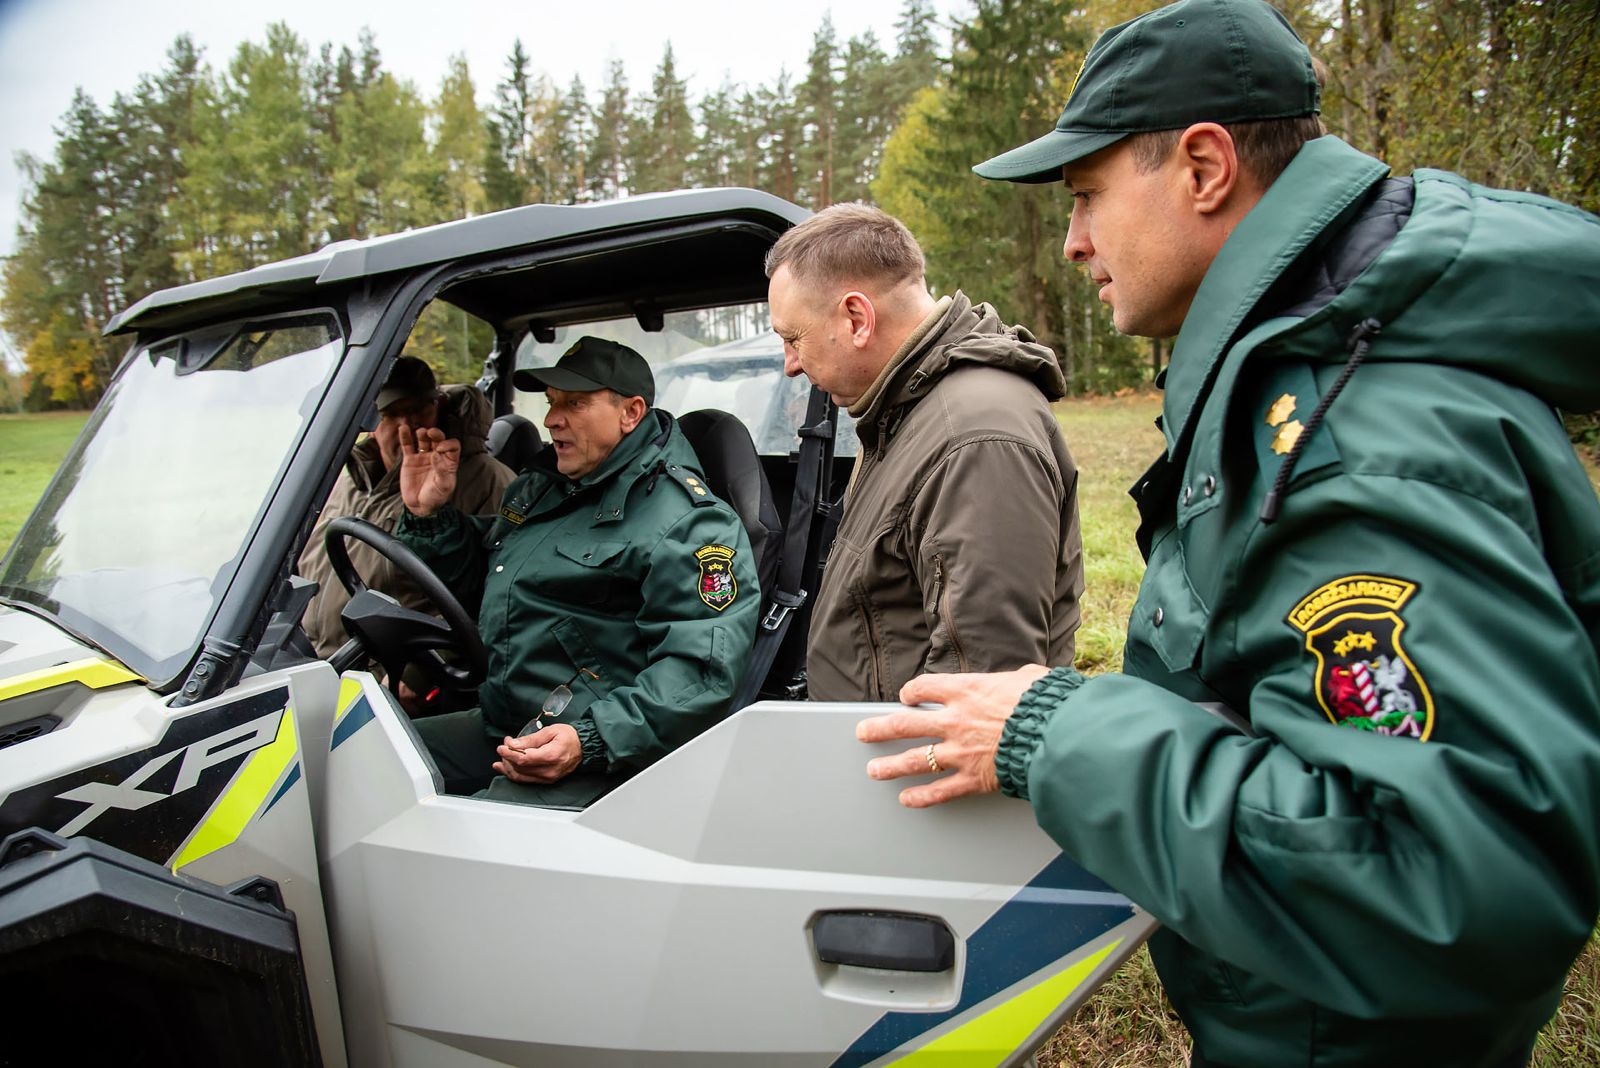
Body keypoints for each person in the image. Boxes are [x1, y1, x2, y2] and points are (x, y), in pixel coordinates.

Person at [856, 2, 1600, 1066]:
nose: (1073, 242)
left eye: (1087, 195)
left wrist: (1054, 733)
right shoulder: (1312, 378)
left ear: (1204, 168)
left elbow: (1446, 882)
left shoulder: (1352, 436)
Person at [392, 336, 760, 807]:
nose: (551, 419)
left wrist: (590, 739)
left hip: (603, 749)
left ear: (630, 413)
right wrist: (430, 517)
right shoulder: (544, 489)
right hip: (507, 722)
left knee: (453, 839)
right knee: (363, 760)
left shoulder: (690, 523)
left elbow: (699, 671)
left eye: (575, 403)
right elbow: (486, 580)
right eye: (551, 402)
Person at [766, 203, 1083, 701]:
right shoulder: (906, 412)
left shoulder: (975, 438)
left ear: (856, 318)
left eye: (793, 338)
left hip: (912, 749)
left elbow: (980, 695)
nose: (790, 364)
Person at [298, 355, 514, 662]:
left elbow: (496, 600)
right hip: (315, 658)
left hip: (397, 670)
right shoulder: (346, 479)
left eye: (417, 410)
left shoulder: (486, 481)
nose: (407, 425)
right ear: (370, 421)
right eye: (392, 414)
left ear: (439, 405)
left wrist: (421, 673)